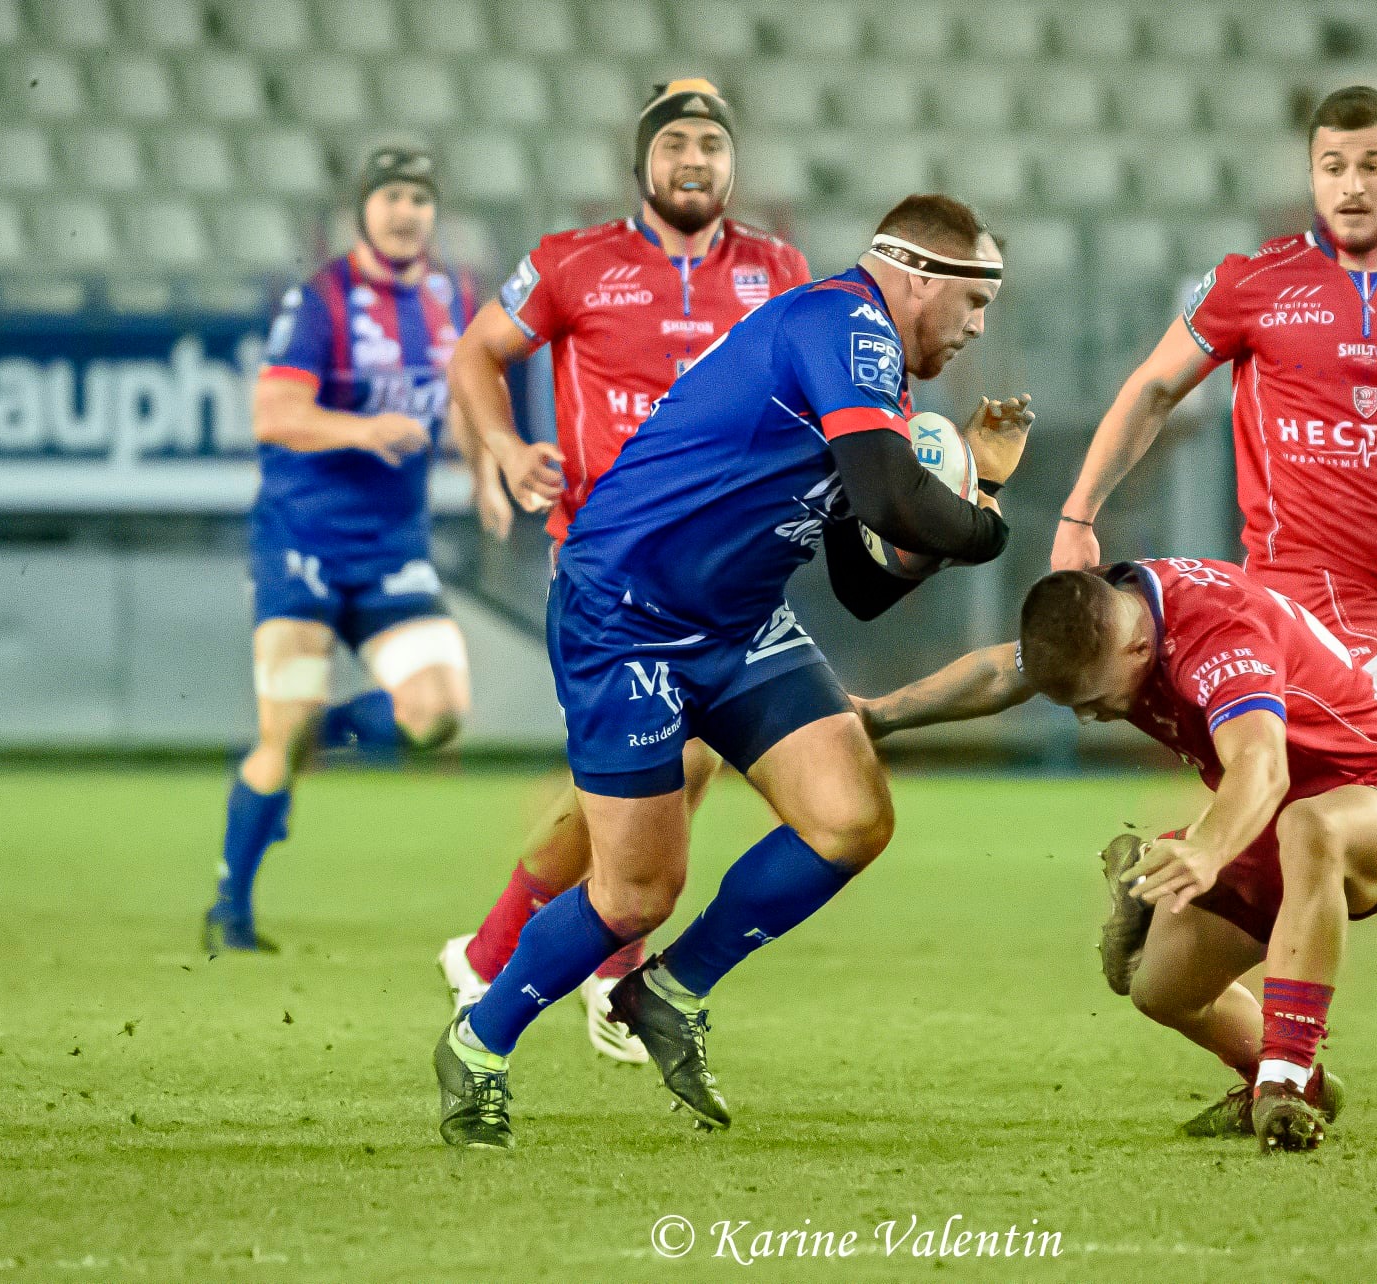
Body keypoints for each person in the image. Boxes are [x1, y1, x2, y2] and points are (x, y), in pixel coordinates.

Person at [432, 194, 1033, 1148]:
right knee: (635, 893)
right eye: (975, 300)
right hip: (626, 615)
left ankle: (665, 991)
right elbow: (891, 495)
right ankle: (478, 1043)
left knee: (850, 819)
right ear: (918, 275)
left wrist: (982, 488)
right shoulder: (842, 320)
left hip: (740, 622)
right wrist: (989, 527)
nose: (978, 326)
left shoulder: (868, 369)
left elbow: (863, 580)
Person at [1049, 86, 1377, 1085]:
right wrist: (1079, 512)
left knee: (1331, 799)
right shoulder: (1258, 284)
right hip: (1306, 593)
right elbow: (1155, 385)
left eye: (1372, 165)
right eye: (1333, 166)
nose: (1351, 183)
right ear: (1311, 176)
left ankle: (1170, 874)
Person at [437, 79, 813, 1062]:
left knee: (639, 776)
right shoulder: (573, 263)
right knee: (671, 762)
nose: (696, 159)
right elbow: (476, 356)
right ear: (642, 160)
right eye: (677, 141)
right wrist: (507, 451)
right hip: (610, 567)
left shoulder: (778, 269)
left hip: (726, 569)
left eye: (714, 144)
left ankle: (494, 951)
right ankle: (611, 982)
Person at [859, 557, 1377, 1152]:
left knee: (1313, 828)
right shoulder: (1112, 611)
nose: (1087, 717)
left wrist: (1206, 847)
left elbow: (1263, 766)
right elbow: (999, 672)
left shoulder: (1219, 637)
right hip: (1264, 821)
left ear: (1138, 653)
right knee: (1162, 991)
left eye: (1094, 699)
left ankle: (1284, 1077)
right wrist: (877, 716)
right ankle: (1292, 1086)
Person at [204, 144, 477, 954]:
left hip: (395, 547)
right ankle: (231, 909)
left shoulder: (452, 297)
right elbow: (273, 414)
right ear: (362, 209)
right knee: (277, 738)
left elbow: (462, 402)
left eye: (419, 199)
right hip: (302, 543)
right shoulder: (321, 298)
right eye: (390, 196)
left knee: (439, 716)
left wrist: (496, 454)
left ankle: (302, 736)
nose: (405, 212)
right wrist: (364, 429)